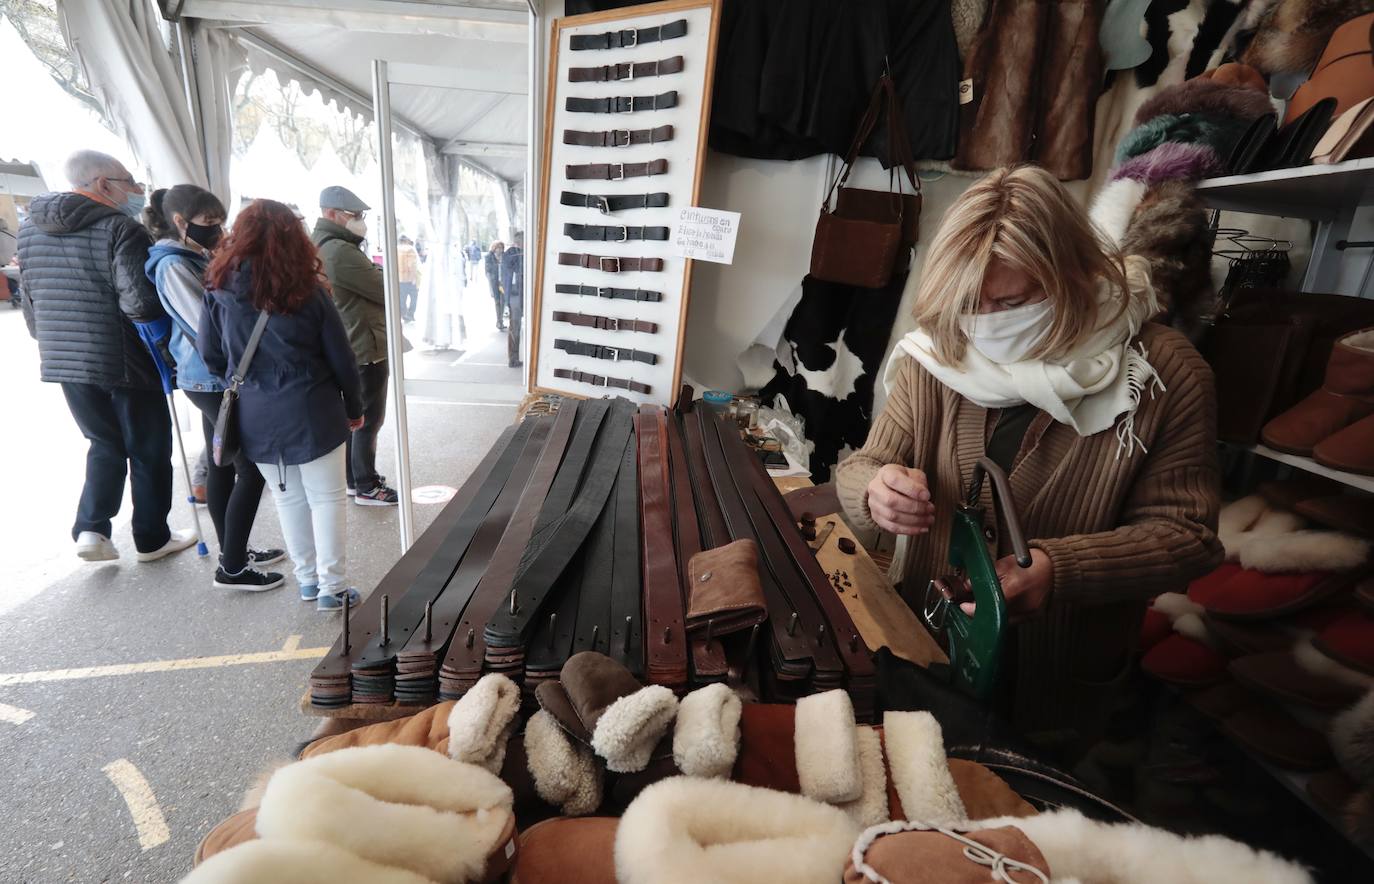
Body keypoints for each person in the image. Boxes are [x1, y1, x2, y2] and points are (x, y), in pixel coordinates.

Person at [834, 166, 1222, 756]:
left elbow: (1187, 535)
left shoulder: (1162, 376)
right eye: (972, 303)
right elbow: (866, 464)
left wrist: (1061, 569)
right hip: (927, 653)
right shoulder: (938, 356)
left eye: (1011, 302)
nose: (985, 324)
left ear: (1074, 275)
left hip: (1052, 681)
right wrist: (877, 491)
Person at [17, 149, 196, 563]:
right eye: (130, 182)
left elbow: (30, 300)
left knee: (103, 441)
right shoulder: (121, 228)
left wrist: (49, 343)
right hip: (123, 357)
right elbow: (138, 303)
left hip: (64, 358)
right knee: (149, 447)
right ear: (102, 184)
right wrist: (167, 353)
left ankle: (92, 531)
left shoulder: (29, 231)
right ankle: (152, 538)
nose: (135, 191)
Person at [200, 199, 364, 612]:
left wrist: (248, 383)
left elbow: (211, 355)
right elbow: (342, 358)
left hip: (255, 413)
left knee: (286, 496)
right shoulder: (307, 291)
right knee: (326, 499)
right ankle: (334, 587)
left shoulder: (218, 289)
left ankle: (307, 582)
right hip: (313, 409)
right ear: (295, 239)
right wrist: (355, 406)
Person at [144, 185, 286, 591]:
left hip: (210, 377)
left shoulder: (192, 255)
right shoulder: (173, 264)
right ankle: (234, 568)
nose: (218, 231)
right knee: (250, 470)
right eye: (210, 224)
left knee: (223, 465)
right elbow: (205, 326)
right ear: (179, 221)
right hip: (210, 378)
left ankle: (232, 552)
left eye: (221, 223)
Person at [311, 186, 398, 506]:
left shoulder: (323, 244)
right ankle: (366, 483)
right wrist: (377, 270)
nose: (360, 221)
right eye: (355, 216)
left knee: (356, 417)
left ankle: (354, 478)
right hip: (364, 344)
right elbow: (385, 288)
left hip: (350, 341)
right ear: (332, 214)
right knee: (368, 419)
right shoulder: (340, 251)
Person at [502, 232, 524, 368]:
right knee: (515, 328)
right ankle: (513, 358)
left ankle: (514, 358)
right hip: (516, 296)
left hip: (521, 294)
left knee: (516, 327)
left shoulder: (519, 254)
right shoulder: (511, 254)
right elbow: (511, 274)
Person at [397, 235, 420, 322]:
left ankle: (404, 314)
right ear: (406, 240)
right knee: (414, 297)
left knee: (402, 298)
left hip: (400, 279)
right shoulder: (410, 250)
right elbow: (412, 265)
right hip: (410, 279)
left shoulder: (396, 249)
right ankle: (410, 314)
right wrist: (414, 277)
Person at [485, 240, 505, 331]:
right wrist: (490, 287)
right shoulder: (489, 257)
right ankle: (499, 321)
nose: (500, 250)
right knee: (497, 302)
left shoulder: (505, 256)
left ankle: (501, 320)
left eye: (501, 248)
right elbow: (487, 272)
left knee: (503, 302)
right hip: (494, 283)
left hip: (503, 283)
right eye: (498, 248)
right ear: (494, 248)